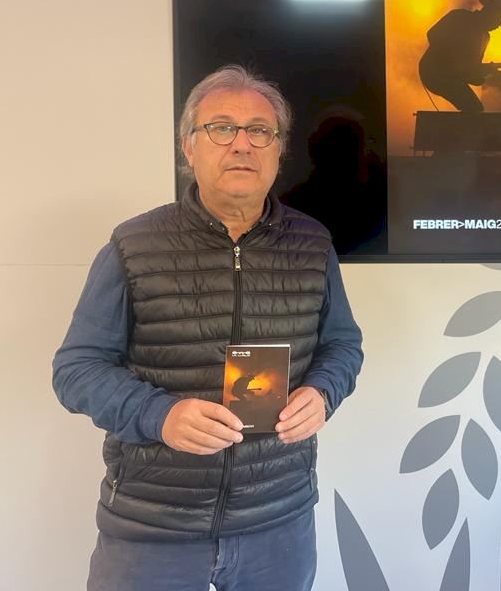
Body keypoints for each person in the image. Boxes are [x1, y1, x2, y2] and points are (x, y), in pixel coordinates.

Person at [52, 65, 364, 591]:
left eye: (259, 130)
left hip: (277, 522)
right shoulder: (134, 246)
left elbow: (342, 344)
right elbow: (76, 370)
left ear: (278, 150)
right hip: (153, 526)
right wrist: (160, 415)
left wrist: (323, 391)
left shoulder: (313, 245)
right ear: (188, 146)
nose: (242, 144)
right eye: (221, 128)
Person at [418, 0, 501, 112]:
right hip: (433, 71)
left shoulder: (485, 37)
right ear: (490, 13)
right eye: (499, 19)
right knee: (474, 109)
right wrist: (454, 61)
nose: (499, 25)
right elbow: (432, 34)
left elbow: (471, 72)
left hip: (451, 77)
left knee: (475, 109)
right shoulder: (459, 17)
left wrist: (484, 74)